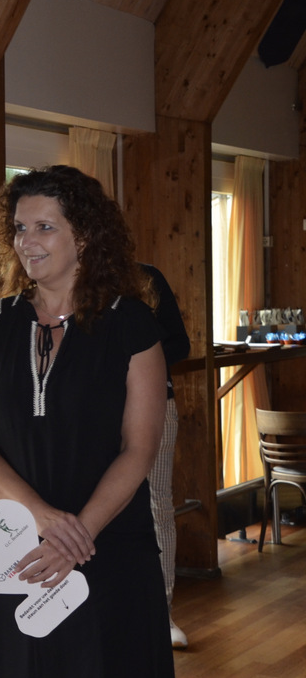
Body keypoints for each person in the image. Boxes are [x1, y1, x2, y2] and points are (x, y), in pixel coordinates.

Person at [0, 165, 180, 678]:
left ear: (85, 235)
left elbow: (139, 448)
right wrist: (44, 520)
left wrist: (78, 535)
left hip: (107, 547)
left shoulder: (133, 326)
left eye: (45, 227)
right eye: (19, 227)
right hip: (9, 548)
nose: (27, 241)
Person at [141, 262, 191, 649]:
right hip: (92, 413)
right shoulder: (65, 279)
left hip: (155, 404)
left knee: (158, 506)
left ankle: (162, 613)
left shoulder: (146, 277)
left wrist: (136, 356)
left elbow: (180, 343)